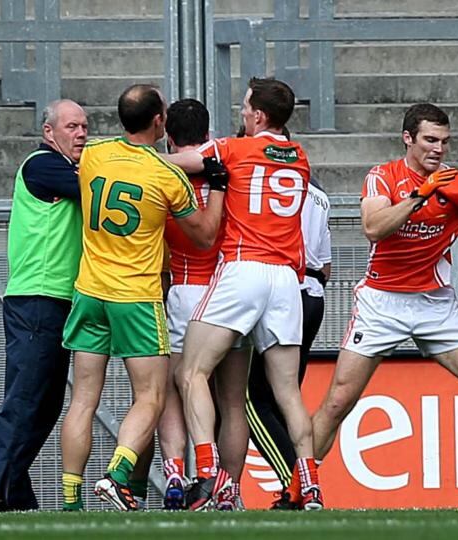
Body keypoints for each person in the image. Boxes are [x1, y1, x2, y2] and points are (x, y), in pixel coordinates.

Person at [310, 103, 458, 508]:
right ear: (408, 139)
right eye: (430, 140)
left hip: (435, 304)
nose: (439, 149)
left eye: (445, 142)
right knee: (337, 401)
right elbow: (373, 228)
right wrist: (422, 194)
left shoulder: (454, 184)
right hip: (382, 303)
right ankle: (301, 487)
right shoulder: (382, 177)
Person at [59, 84, 226, 511]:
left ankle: (70, 501)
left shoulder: (92, 155)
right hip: (135, 296)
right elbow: (205, 235)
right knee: (150, 395)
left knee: (81, 400)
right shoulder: (165, 174)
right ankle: (117, 475)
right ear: (160, 121)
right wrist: (219, 189)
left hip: (89, 290)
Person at [166, 77, 320, 511]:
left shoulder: (233, 150)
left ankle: (209, 475)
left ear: (258, 116)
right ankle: (309, 484)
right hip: (287, 280)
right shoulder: (300, 157)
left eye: (246, 106)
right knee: (285, 391)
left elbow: (178, 163)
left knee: (191, 373)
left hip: (244, 269)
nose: (242, 111)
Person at [0, 100, 88, 511]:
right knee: (25, 401)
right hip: (37, 297)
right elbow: (96, 186)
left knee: (45, 404)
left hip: (56, 299)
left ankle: (13, 492)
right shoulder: (42, 165)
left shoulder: (67, 167)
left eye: (84, 126)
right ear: (49, 132)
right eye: (72, 126)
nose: (81, 134)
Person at [156, 98, 247, 511]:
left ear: (170, 137)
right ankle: (227, 490)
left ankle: (177, 471)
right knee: (231, 400)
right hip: (230, 288)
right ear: (209, 136)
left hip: (185, 288)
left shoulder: (161, 174)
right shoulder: (228, 169)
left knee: (175, 388)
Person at [246, 168, 331, 510]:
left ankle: (296, 483)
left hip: (285, 290)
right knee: (286, 398)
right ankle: (298, 488)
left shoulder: (265, 185)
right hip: (313, 298)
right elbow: (325, 266)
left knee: (254, 401)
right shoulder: (319, 193)